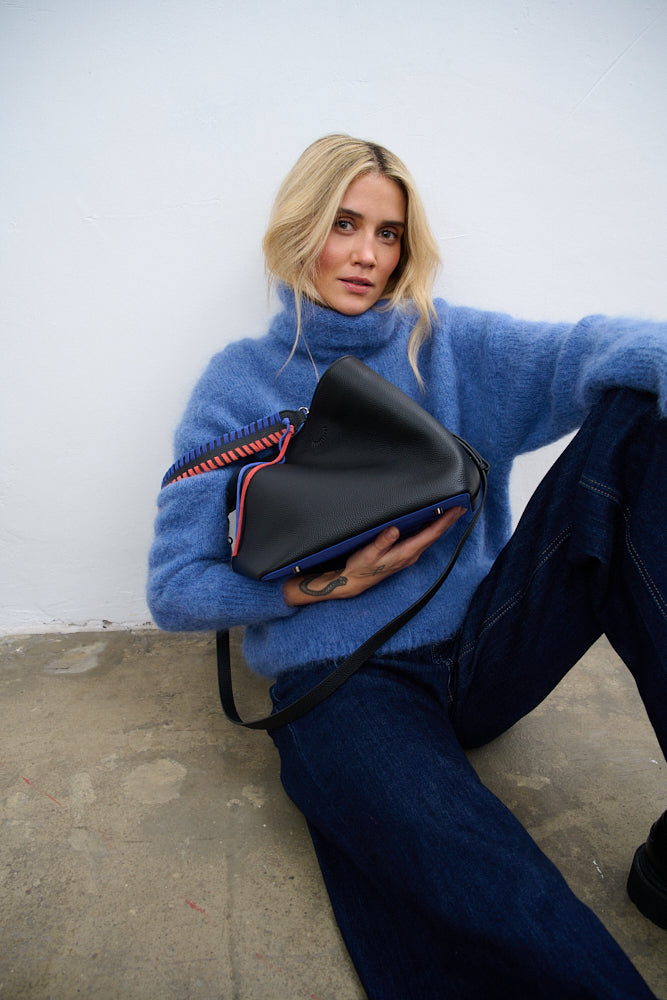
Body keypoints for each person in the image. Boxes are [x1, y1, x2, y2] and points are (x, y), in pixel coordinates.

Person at [147, 134, 667, 998]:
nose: (366, 254)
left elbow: (589, 349)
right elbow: (173, 590)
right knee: (491, 886)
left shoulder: (445, 343)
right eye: (343, 224)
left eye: (387, 234)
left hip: (486, 650)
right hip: (351, 684)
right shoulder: (237, 385)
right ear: (300, 228)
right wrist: (321, 586)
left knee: (638, 427)